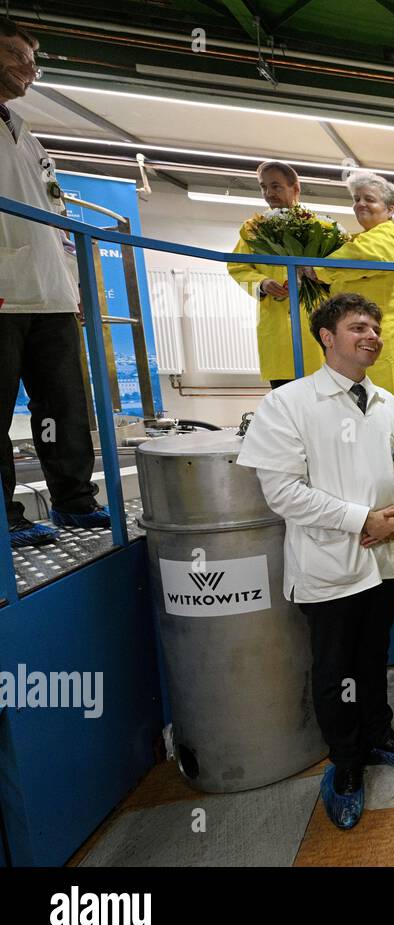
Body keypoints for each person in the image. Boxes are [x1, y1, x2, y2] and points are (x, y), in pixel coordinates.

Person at [237, 291, 394, 831]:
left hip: (389, 558)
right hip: (331, 564)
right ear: (327, 337)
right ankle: (346, 766)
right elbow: (281, 491)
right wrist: (361, 519)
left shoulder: (389, 403)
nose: (371, 335)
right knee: (334, 671)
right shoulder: (290, 404)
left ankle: (379, 735)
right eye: (358, 327)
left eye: (374, 327)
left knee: (374, 657)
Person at [0, 17, 110, 547]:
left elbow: (57, 216)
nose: (29, 68)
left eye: (32, 59)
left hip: (51, 297)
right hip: (2, 295)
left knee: (61, 410)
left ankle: (73, 501)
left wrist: (74, 286)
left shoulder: (28, 136)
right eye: (17, 54)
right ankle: (4, 518)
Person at [310, 172, 394, 422]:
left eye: (369, 199)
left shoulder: (387, 235)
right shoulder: (361, 239)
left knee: (385, 411)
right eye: (356, 199)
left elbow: (363, 258)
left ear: (390, 209)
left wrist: (317, 268)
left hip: (383, 333)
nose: (360, 204)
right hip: (361, 336)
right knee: (364, 410)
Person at [227, 161, 324, 387]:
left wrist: (316, 274)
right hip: (276, 323)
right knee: (282, 400)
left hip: (314, 320)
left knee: (320, 397)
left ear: (295, 189)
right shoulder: (253, 228)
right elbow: (237, 266)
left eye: (276, 186)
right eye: (263, 187)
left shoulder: (318, 227)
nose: (269, 193)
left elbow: (336, 270)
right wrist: (262, 283)